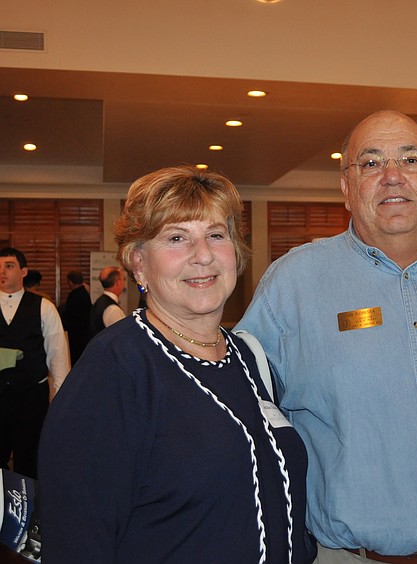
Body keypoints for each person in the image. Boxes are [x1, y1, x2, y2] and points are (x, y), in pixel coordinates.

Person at [237, 110, 417, 564]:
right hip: (353, 556)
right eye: (370, 163)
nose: (392, 177)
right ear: (346, 188)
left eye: (410, 160)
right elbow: (237, 407)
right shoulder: (294, 282)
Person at [38, 166, 312, 563]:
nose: (203, 255)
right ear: (138, 263)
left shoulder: (248, 356)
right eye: (176, 238)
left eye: (216, 235)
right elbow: (77, 540)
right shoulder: (115, 368)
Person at [0, 247, 70, 479]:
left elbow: (58, 356)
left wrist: (60, 403)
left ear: (23, 272)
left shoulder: (44, 307)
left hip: (31, 398)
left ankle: (31, 513)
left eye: (9, 266)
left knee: (29, 460)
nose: (2, 272)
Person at [60, 270, 92, 365]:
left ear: (70, 281)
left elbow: (75, 317)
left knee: (77, 360)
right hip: (83, 335)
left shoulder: (76, 295)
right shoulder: (84, 293)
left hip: (77, 336)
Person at [89, 265, 126, 336]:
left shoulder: (100, 302)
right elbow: (122, 336)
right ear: (118, 282)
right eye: (123, 279)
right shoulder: (112, 309)